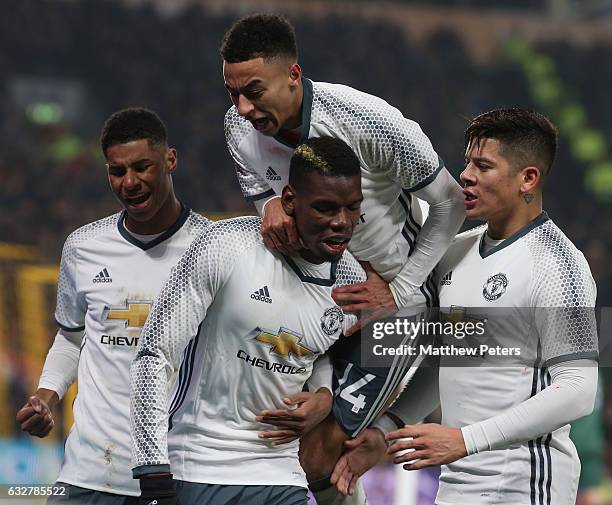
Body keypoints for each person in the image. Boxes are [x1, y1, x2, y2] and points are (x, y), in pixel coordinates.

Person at [220, 14, 465, 502]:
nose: (244, 108)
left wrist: (398, 290)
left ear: (293, 75)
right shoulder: (237, 128)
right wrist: (266, 205)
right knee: (295, 437)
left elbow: (451, 202)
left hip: (394, 303)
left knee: (327, 445)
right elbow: (256, 183)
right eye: (233, 93)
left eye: (254, 90)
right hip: (319, 300)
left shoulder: (368, 120)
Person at [333, 108, 599, 505]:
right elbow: (447, 360)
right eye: (467, 162)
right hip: (456, 483)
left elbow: (578, 390)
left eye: (484, 165)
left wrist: (465, 440)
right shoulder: (454, 252)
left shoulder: (558, 264)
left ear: (528, 178)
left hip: (525, 484)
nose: (466, 176)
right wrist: (389, 427)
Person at [129, 136, 374, 505]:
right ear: (289, 199)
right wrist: (152, 472)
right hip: (199, 466)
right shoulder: (225, 243)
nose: (342, 223)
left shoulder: (353, 283)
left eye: (352, 208)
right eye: (325, 208)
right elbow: (154, 354)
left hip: (281, 474)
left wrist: (324, 396)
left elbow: (320, 350)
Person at [15, 108, 210, 504]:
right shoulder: (83, 247)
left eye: (142, 167)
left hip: (180, 472)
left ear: (169, 160)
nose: (130, 182)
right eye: (117, 171)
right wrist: (46, 394)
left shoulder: (212, 247)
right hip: (89, 473)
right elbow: (71, 338)